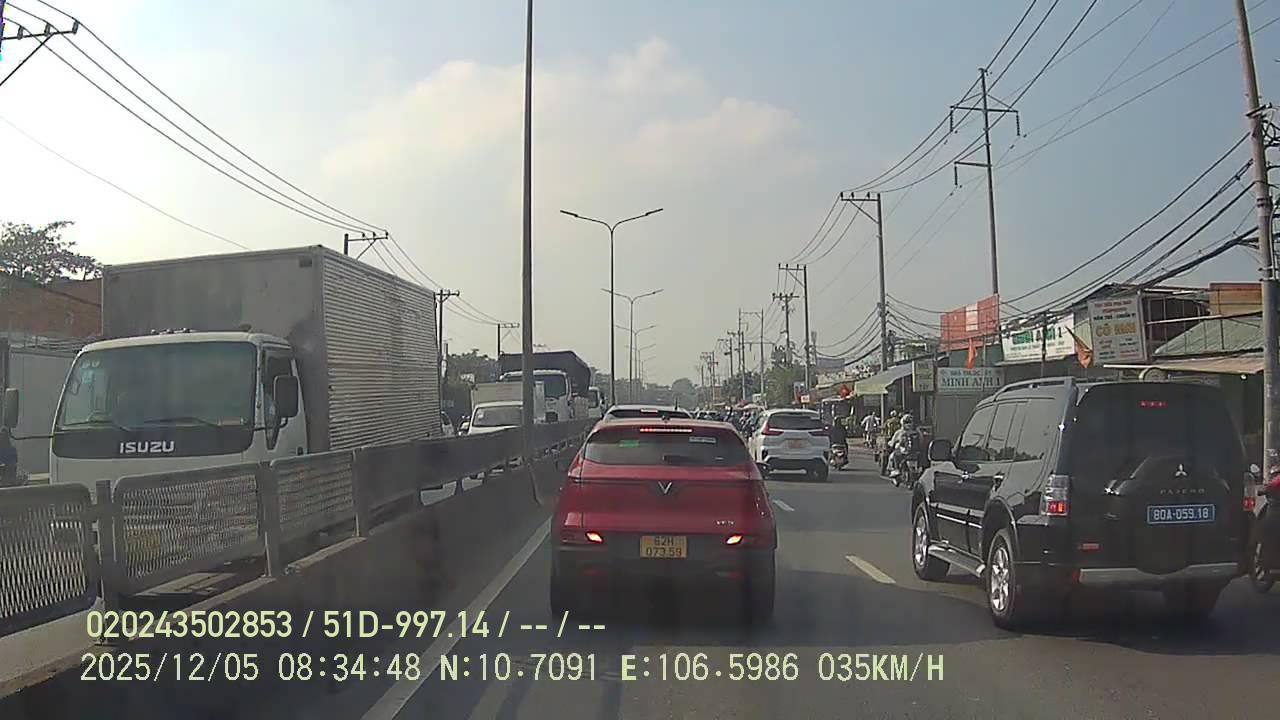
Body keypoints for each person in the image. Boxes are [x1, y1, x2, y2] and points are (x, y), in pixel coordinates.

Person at [887, 413, 922, 480]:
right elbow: (921, 440)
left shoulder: (899, 432)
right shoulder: (917, 432)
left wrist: (890, 443)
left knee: (893, 455)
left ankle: (896, 469)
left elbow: (892, 442)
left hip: (905, 452)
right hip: (915, 452)